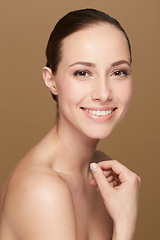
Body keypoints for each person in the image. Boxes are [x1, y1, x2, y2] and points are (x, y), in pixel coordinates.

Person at [0, 8, 141, 240]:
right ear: (51, 80)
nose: (104, 93)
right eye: (83, 73)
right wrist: (125, 224)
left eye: (118, 72)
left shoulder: (102, 170)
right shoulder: (42, 190)